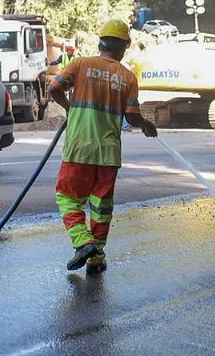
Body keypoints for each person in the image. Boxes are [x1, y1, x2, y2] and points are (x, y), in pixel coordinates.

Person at [49, 19, 158, 273]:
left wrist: (70, 108)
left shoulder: (80, 64)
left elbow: (54, 88)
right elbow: (131, 116)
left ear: (100, 43)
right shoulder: (127, 77)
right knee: (101, 207)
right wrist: (145, 124)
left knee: (68, 198)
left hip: (79, 148)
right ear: (124, 48)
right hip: (108, 154)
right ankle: (96, 258)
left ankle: (83, 241)